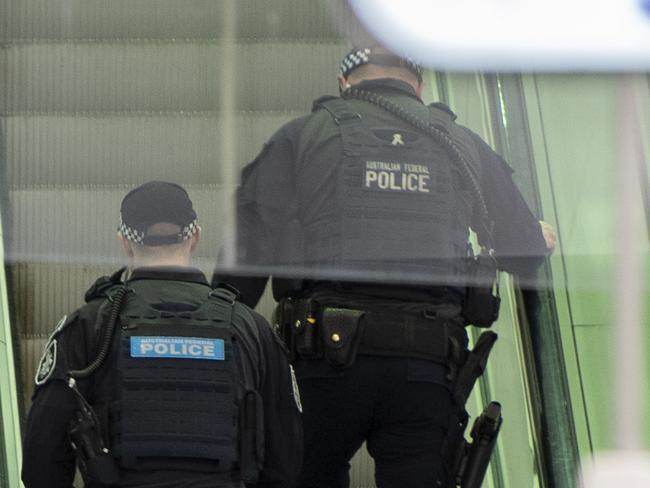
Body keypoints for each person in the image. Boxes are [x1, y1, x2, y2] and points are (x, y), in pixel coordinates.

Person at [213, 46, 556, 488]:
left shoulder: (304, 135)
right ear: (418, 85)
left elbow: (246, 256)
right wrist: (537, 240)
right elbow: (522, 252)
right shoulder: (464, 144)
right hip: (428, 368)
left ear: (346, 83)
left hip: (324, 364)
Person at [22, 181, 303, 488]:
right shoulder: (251, 327)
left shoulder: (89, 325)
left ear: (125, 243)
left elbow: (43, 452)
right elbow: (286, 457)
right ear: (195, 237)